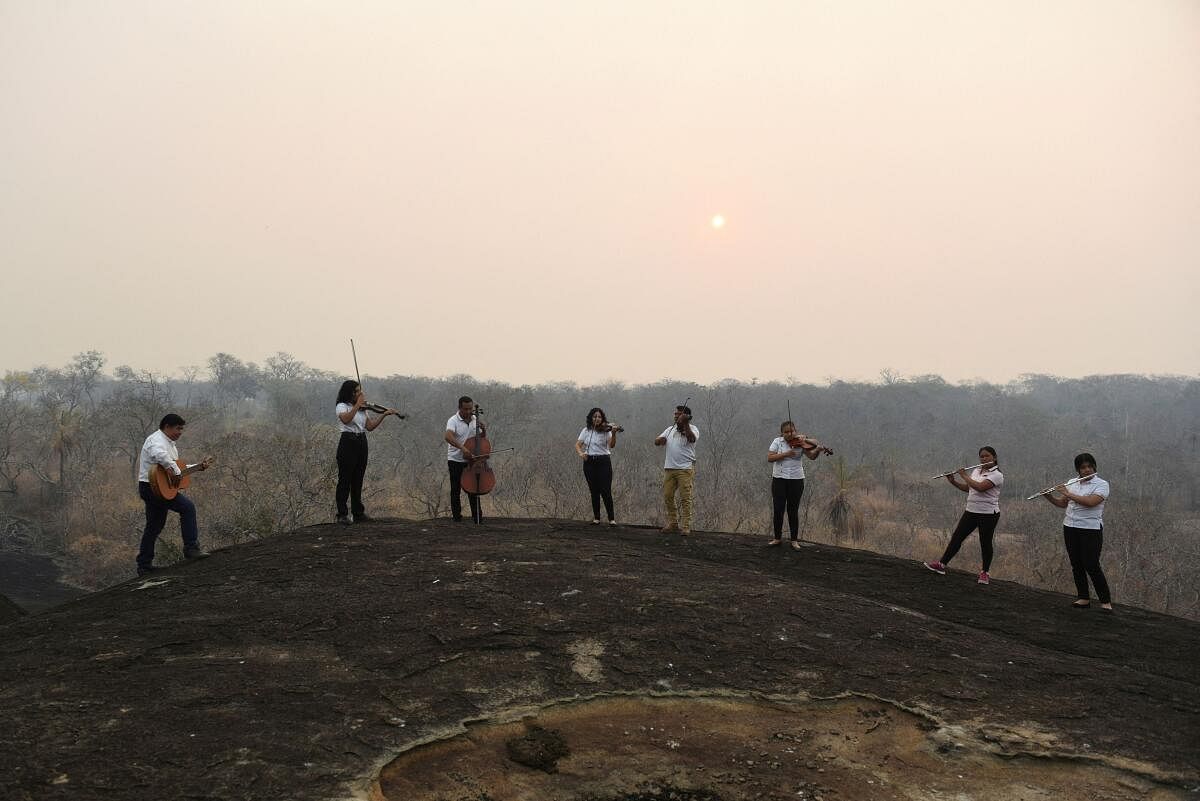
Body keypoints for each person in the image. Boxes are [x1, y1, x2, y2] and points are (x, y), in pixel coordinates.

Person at [135, 413, 211, 576]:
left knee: (154, 526)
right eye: (178, 428)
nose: (180, 432)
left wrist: (198, 466)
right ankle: (191, 548)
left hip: (158, 487)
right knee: (188, 508)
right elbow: (161, 457)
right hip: (151, 487)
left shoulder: (170, 444)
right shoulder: (156, 441)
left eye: (182, 429)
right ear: (167, 426)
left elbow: (176, 467)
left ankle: (144, 565)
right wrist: (175, 471)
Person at [1041, 452, 1112, 611]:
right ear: (1078, 470)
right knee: (1076, 564)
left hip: (1090, 529)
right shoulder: (1073, 482)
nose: (1086, 470)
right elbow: (1062, 504)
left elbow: (1090, 503)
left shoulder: (1102, 484)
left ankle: (1105, 601)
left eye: (1089, 466)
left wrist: (1067, 492)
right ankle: (1083, 598)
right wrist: (1048, 497)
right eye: (1082, 468)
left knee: (1091, 564)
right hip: (1070, 527)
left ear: (1094, 467)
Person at [923, 446, 1004, 584]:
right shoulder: (976, 471)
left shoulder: (997, 475)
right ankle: (941, 565)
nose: (984, 459)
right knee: (957, 537)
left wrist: (964, 475)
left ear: (994, 458)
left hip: (988, 514)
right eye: (982, 456)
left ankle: (985, 573)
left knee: (985, 542)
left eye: (987, 456)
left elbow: (980, 488)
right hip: (971, 511)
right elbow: (969, 488)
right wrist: (953, 481)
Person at [334, 380, 398, 525]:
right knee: (345, 479)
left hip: (361, 441)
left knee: (358, 478)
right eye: (356, 391)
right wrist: (357, 405)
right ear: (349, 393)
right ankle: (342, 514)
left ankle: (358, 513)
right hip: (347, 441)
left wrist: (384, 415)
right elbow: (346, 419)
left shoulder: (363, 408)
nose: (360, 394)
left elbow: (369, 426)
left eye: (359, 391)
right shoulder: (342, 406)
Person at [766, 421, 825, 549]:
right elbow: (770, 458)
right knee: (778, 509)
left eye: (792, 431)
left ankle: (794, 540)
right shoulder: (777, 442)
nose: (789, 434)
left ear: (795, 431)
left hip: (796, 479)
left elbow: (812, 456)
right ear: (782, 433)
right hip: (779, 479)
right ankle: (777, 538)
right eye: (786, 432)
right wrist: (786, 454)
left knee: (793, 510)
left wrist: (818, 450)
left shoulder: (801, 442)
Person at [654, 404, 699, 534]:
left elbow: (691, 439)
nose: (675, 416)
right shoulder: (670, 429)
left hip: (685, 469)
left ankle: (685, 526)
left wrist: (685, 425)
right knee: (668, 495)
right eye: (675, 414)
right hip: (669, 468)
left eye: (679, 414)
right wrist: (660, 440)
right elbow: (656, 441)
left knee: (686, 497)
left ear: (686, 417)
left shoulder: (693, 429)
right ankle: (673, 523)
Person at [576, 408, 622, 525]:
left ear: (603, 419)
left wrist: (614, 433)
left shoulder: (606, 431)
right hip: (589, 462)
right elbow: (577, 445)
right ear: (591, 418)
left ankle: (611, 519)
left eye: (600, 417)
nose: (597, 419)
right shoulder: (586, 430)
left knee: (606, 490)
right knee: (594, 491)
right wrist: (582, 454)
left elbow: (611, 445)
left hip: (603, 461)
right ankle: (597, 518)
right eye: (595, 416)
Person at [445, 395, 486, 523]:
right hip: (455, 460)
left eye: (470, 409)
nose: (469, 412)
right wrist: (463, 449)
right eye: (465, 409)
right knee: (455, 489)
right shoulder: (453, 420)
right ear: (459, 408)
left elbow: (480, 438)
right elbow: (448, 437)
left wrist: (484, 430)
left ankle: (477, 518)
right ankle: (457, 518)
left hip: (471, 461)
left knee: (473, 488)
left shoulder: (475, 419)